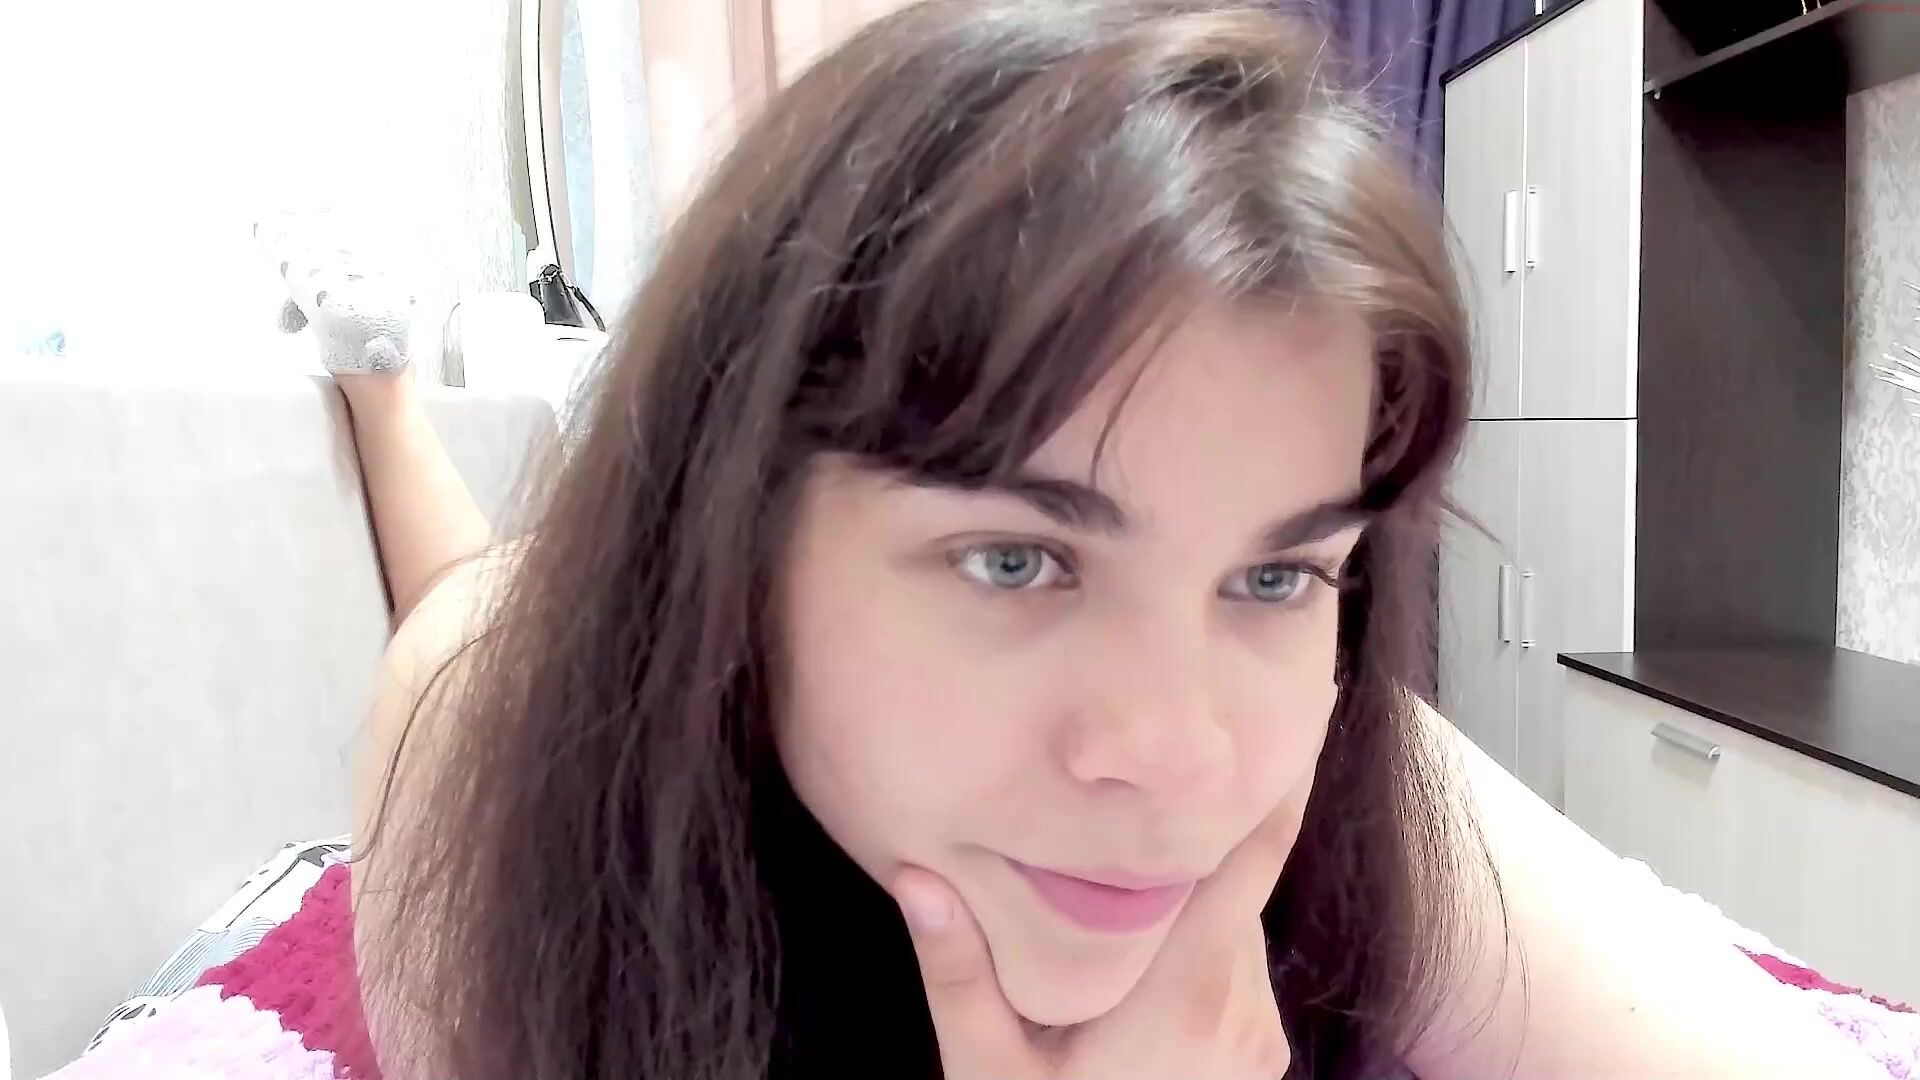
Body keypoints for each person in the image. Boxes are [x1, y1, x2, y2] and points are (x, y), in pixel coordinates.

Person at [339, 3, 1886, 1079]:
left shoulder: (1339, 761)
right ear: (731, 539)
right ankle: (386, 404)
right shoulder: (505, 785)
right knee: (468, 594)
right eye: (1017, 559)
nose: (1178, 756)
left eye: (1276, 574)